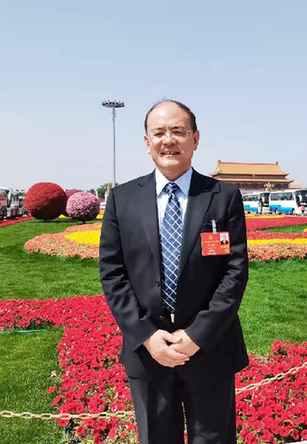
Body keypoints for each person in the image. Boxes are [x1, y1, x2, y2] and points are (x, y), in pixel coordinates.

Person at [99, 100, 249, 444]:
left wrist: (197, 335)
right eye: (159, 132)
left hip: (210, 349)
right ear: (147, 142)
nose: (169, 140)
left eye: (178, 131)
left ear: (195, 139)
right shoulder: (122, 199)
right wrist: (147, 335)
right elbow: (112, 272)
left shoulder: (222, 197)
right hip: (148, 352)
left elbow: (234, 272)